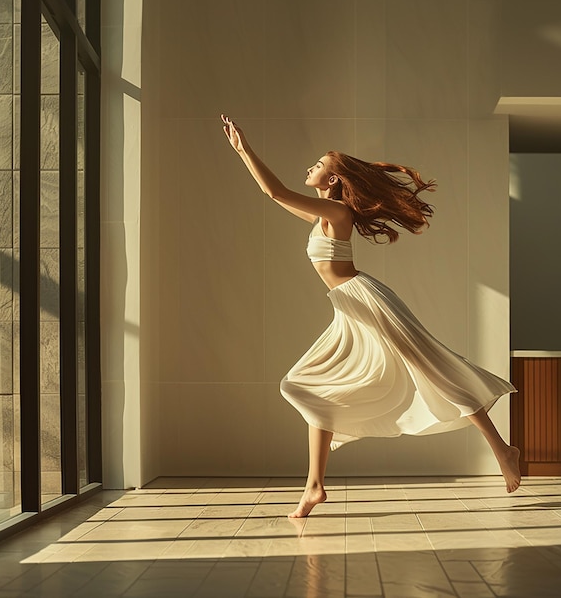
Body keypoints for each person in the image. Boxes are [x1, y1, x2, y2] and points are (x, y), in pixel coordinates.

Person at [221, 115, 521, 518]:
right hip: (349, 307)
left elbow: (275, 193)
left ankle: (503, 451)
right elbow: (279, 198)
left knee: (433, 370)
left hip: (367, 301)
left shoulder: (336, 212)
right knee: (311, 388)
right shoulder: (324, 216)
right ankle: (314, 487)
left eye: (318, 165)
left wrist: (244, 150)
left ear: (331, 181)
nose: (310, 167)